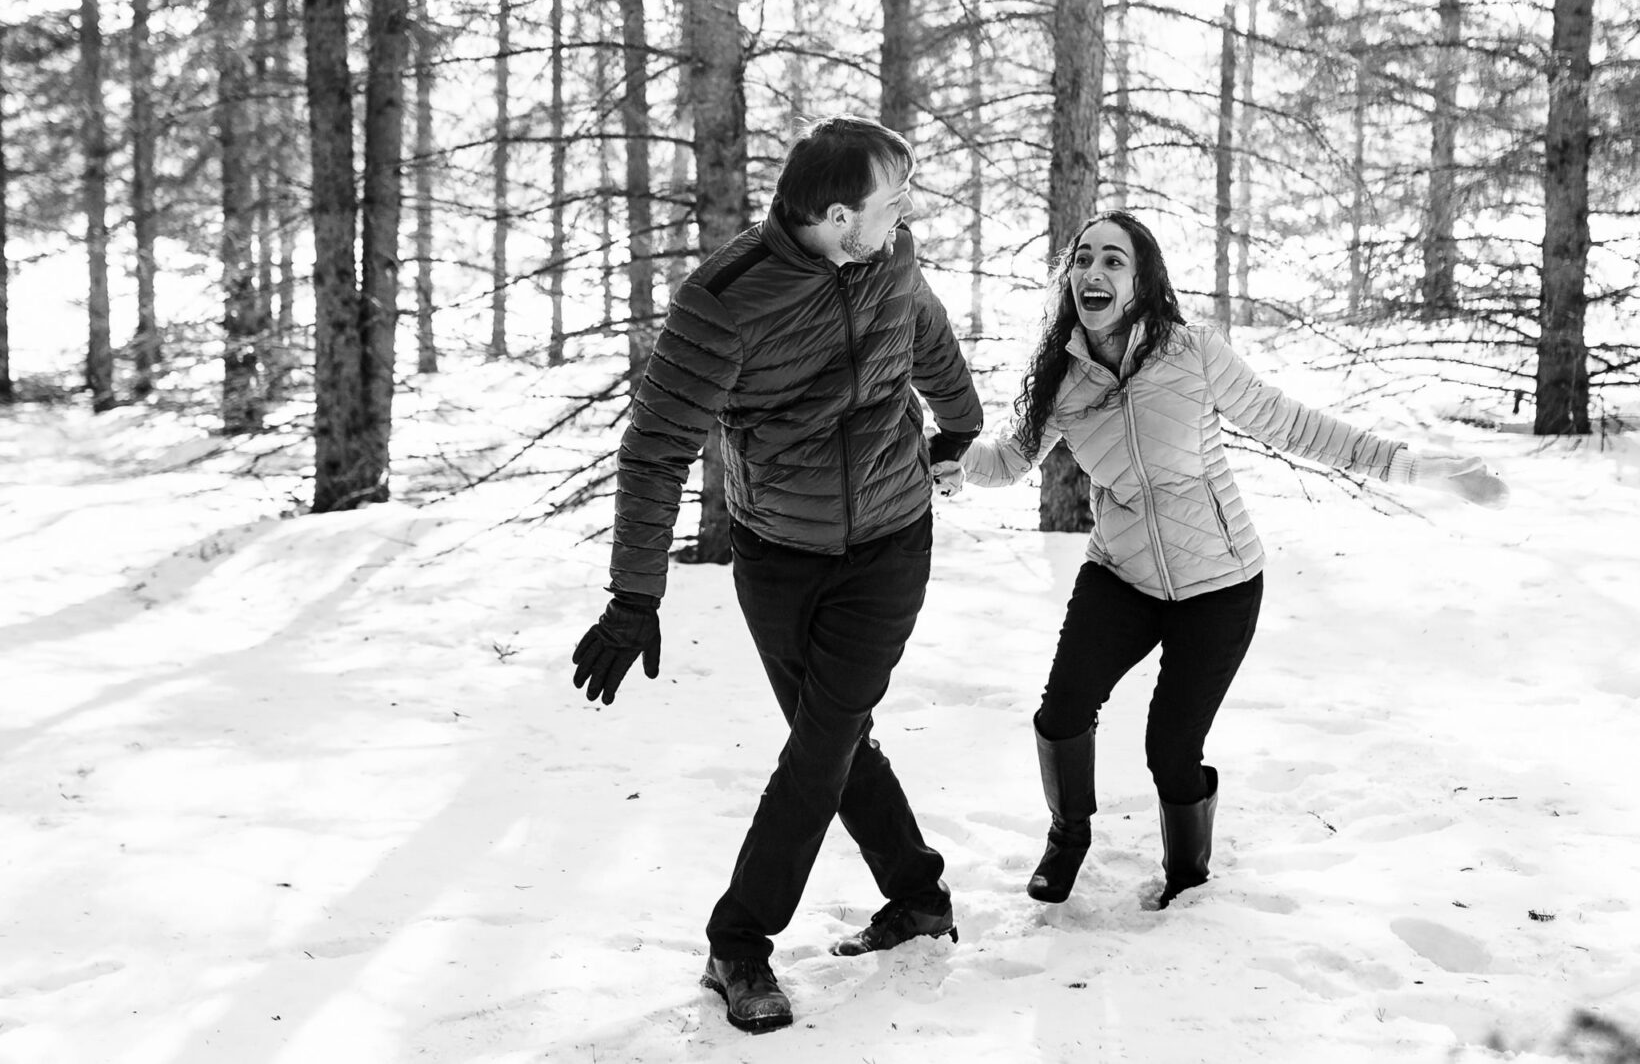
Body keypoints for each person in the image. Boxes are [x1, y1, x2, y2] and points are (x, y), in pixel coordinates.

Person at [938, 212, 1506, 910]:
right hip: (1120, 575)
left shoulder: (1192, 352)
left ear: (1143, 281)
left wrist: (1421, 468)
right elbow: (1011, 460)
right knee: (1061, 714)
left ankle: (1187, 876)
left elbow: (1292, 424)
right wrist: (957, 461)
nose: (1094, 271)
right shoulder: (1065, 378)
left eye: (1114, 260)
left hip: (1220, 582)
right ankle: (1068, 836)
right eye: (1083, 258)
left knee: (1170, 750)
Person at [570, 116, 983, 1035]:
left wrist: (958, 421)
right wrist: (635, 595)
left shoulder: (892, 257)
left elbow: (927, 337)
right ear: (839, 218)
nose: (905, 216)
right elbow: (655, 454)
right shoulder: (724, 301)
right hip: (778, 554)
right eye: (892, 202)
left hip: (890, 536)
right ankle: (917, 894)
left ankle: (739, 941)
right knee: (830, 735)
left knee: (823, 738)